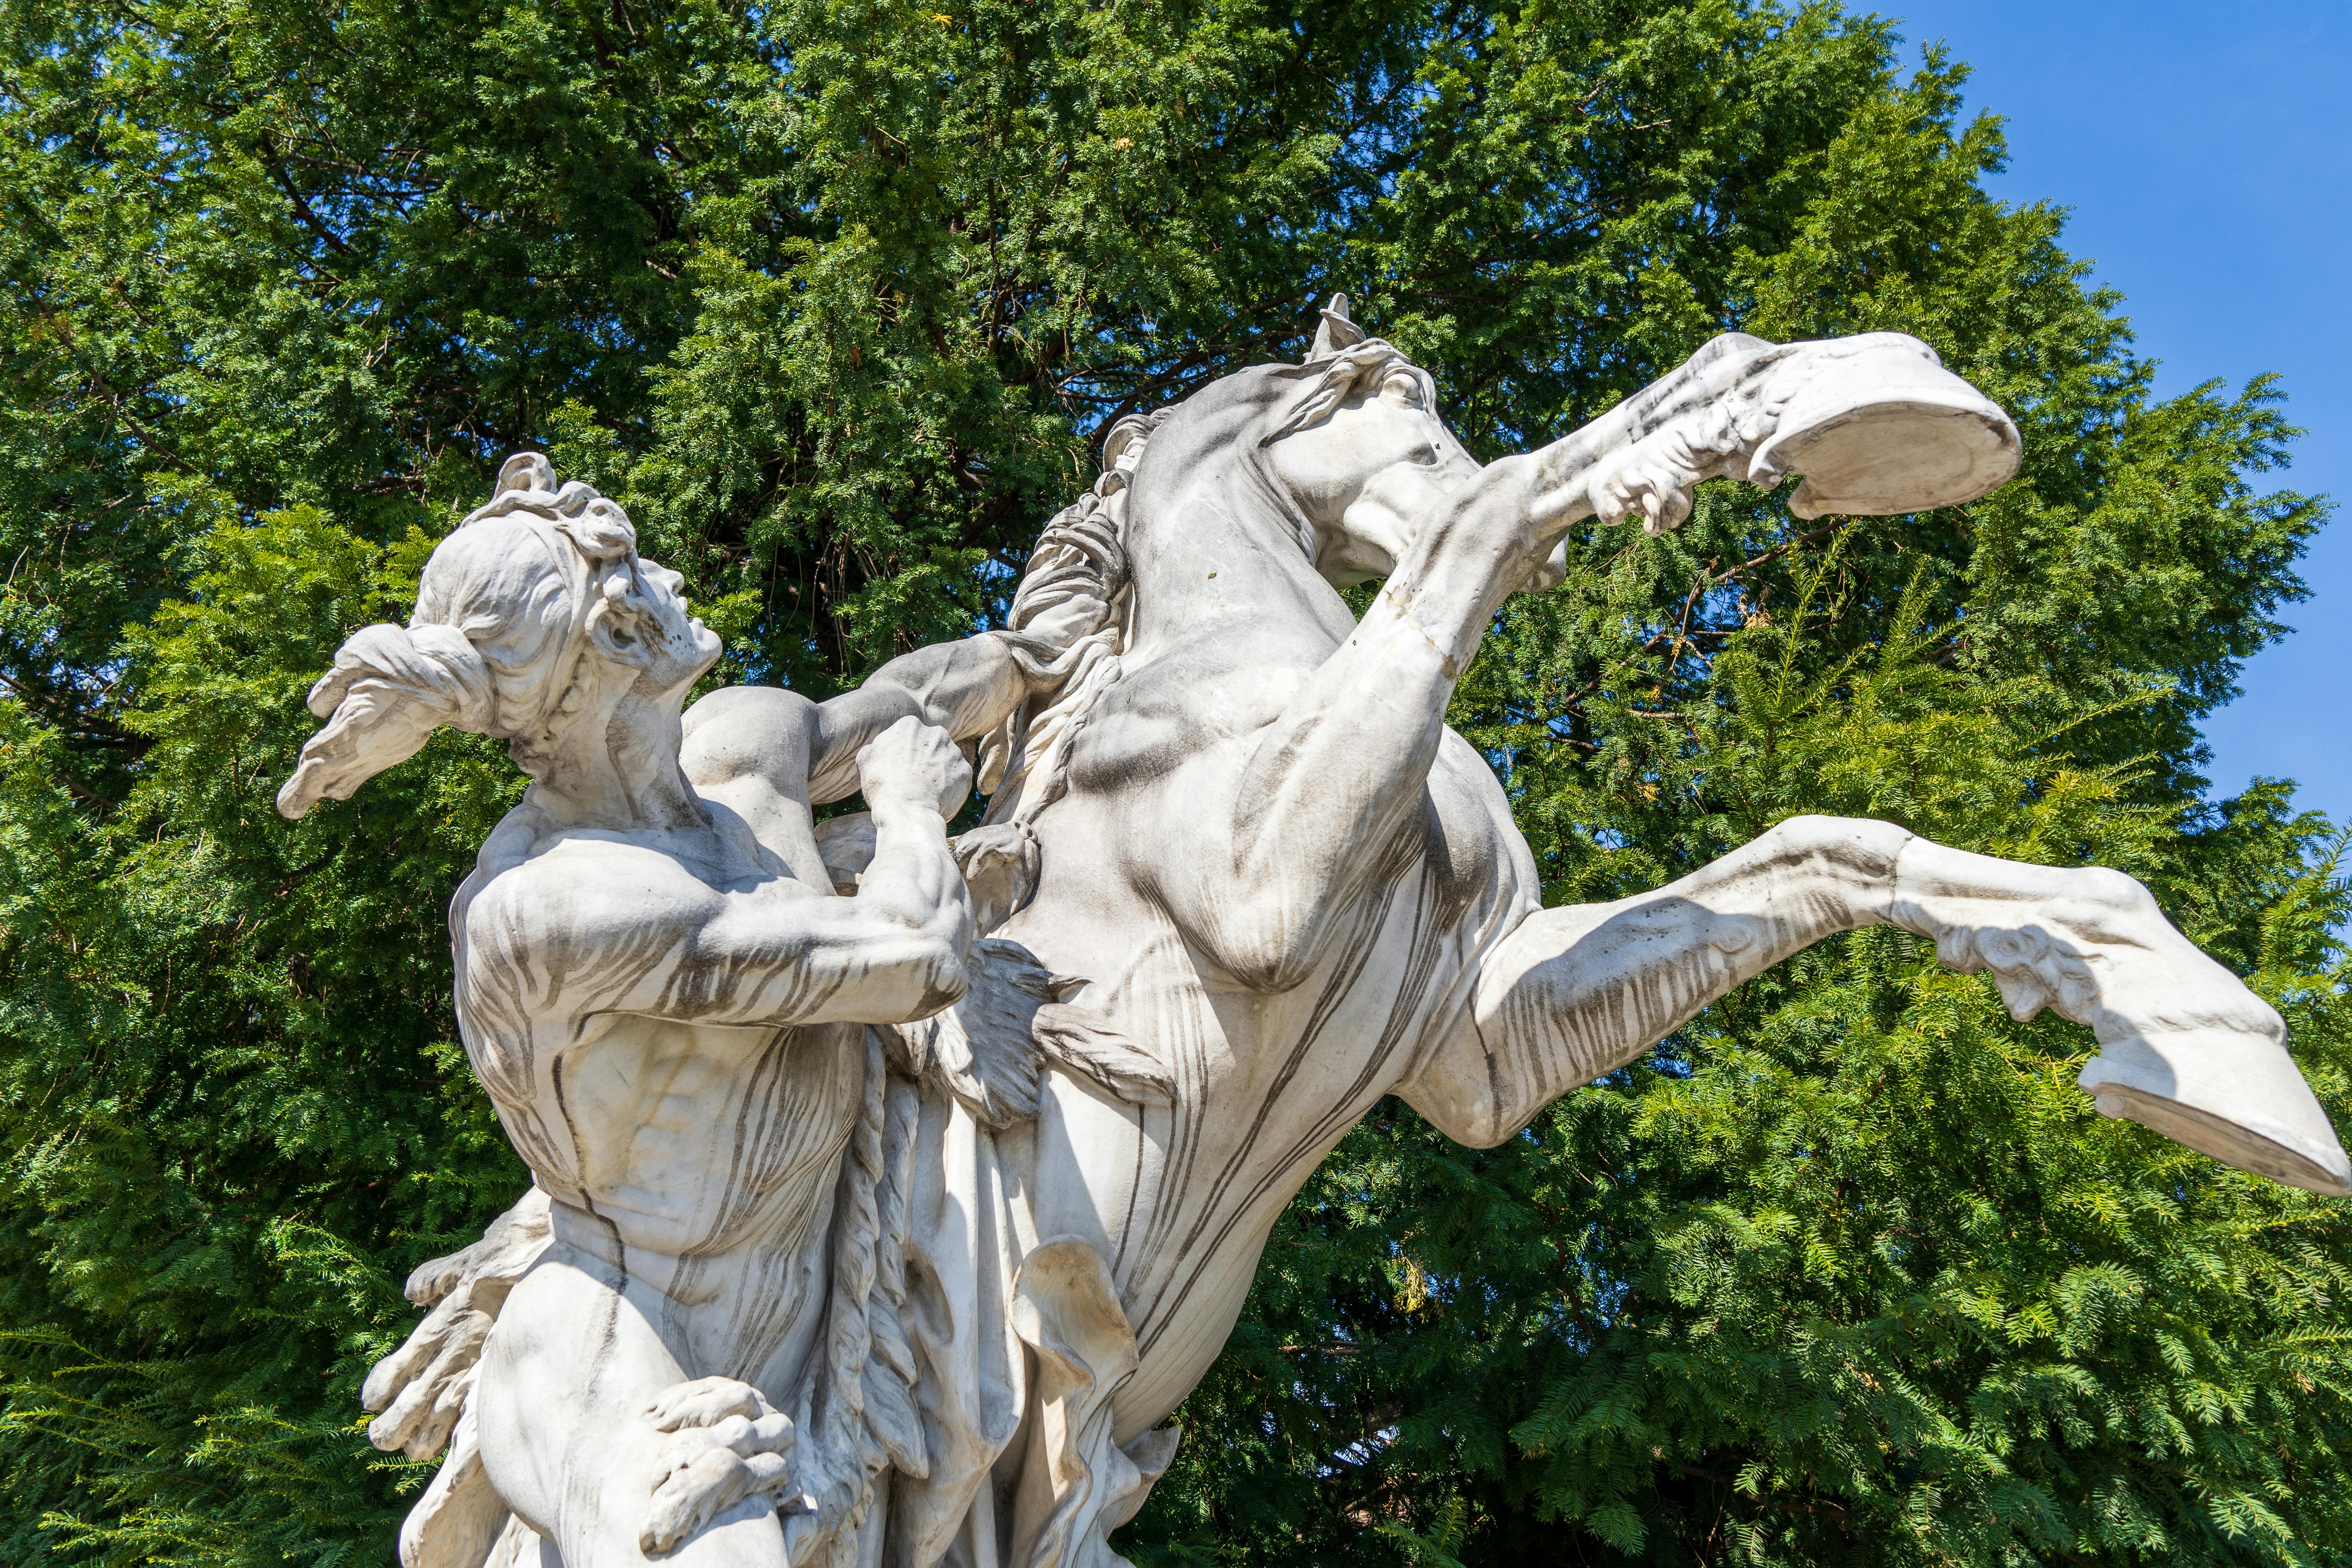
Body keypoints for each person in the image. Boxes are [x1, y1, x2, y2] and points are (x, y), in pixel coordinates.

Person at [279, 454, 1072, 1568]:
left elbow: (909, 704)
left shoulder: (741, 752)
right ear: (617, 643)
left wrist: (1041, 653)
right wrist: (905, 809)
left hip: (808, 1328)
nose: (677, 576)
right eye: (645, 569)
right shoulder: (554, 907)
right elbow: (917, 959)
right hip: (617, 1361)